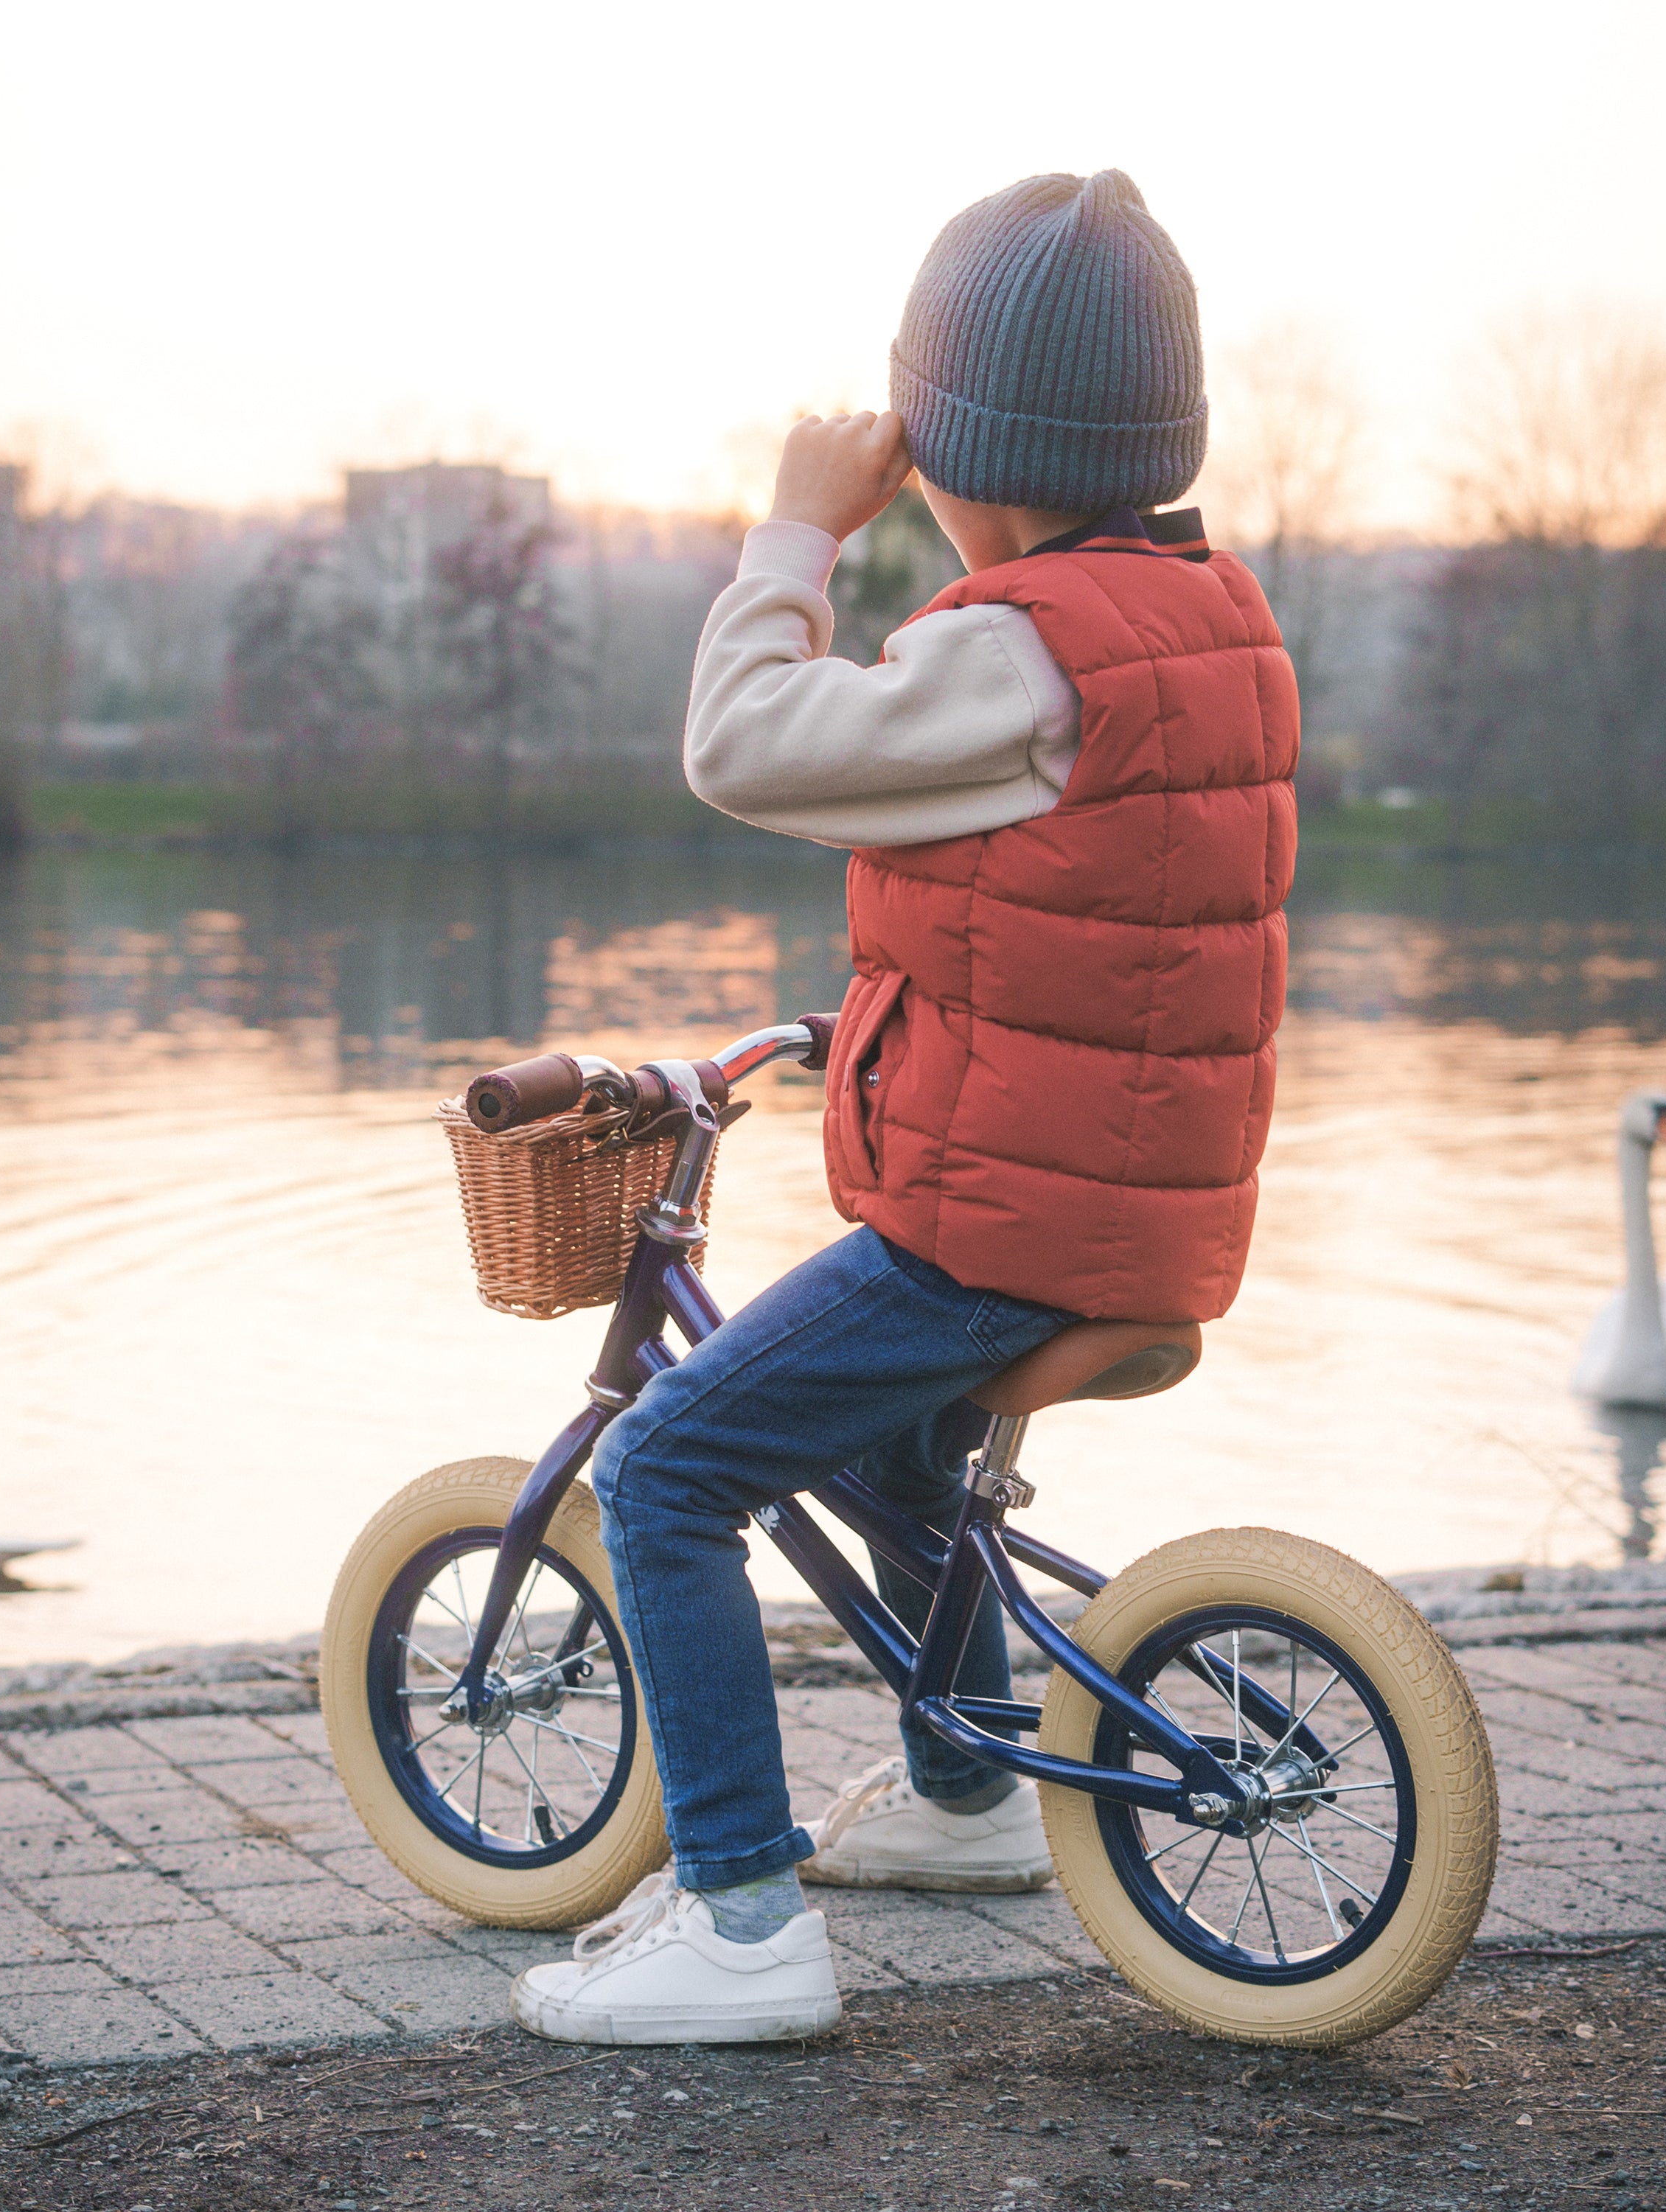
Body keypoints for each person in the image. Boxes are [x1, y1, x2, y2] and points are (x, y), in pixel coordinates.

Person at [512, 168, 1299, 2045]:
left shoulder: (1013, 645)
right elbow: (1100, 917)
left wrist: (796, 533)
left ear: (955, 445)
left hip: (1005, 1229)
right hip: (1141, 1200)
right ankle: (967, 1804)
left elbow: (746, 745)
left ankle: (742, 1926)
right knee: (883, 1455)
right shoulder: (1203, 615)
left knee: (669, 1466)